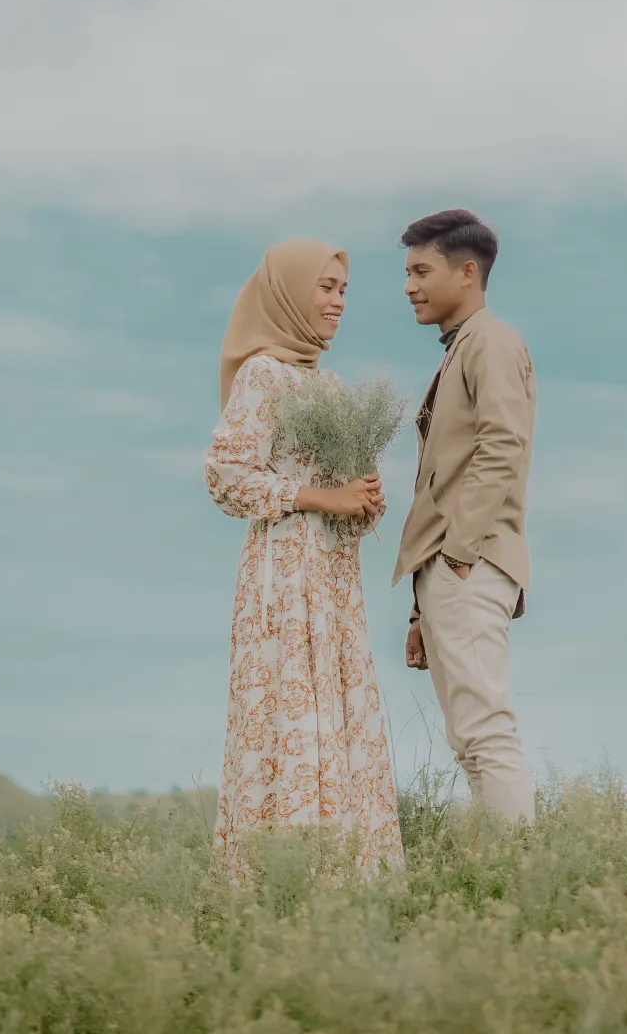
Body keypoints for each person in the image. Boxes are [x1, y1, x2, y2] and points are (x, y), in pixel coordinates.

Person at [205, 238, 406, 876]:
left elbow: (351, 501)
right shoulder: (263, 375)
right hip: (284, 574)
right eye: (325, 287)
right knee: (289, 715)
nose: (338, 302)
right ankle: (282, 876)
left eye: (343, 290)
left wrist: (365, 499)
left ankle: (343, 876)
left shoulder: (331, 385)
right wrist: (322, 497)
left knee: (337, 714)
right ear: (289, 293)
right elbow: (225, 475)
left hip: (334, 578)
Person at [393, 209, 537, 824]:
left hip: (469, 560)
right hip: (454, 566)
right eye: (408, 273)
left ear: (468, 272)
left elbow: (504, 445)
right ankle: (507, 869)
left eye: (422, 271)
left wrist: (457, 553)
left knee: (485, 733)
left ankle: (521, 868)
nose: (409, 286)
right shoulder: (465, 347)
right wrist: (421, 608)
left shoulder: (492, 342)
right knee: (469, 740)